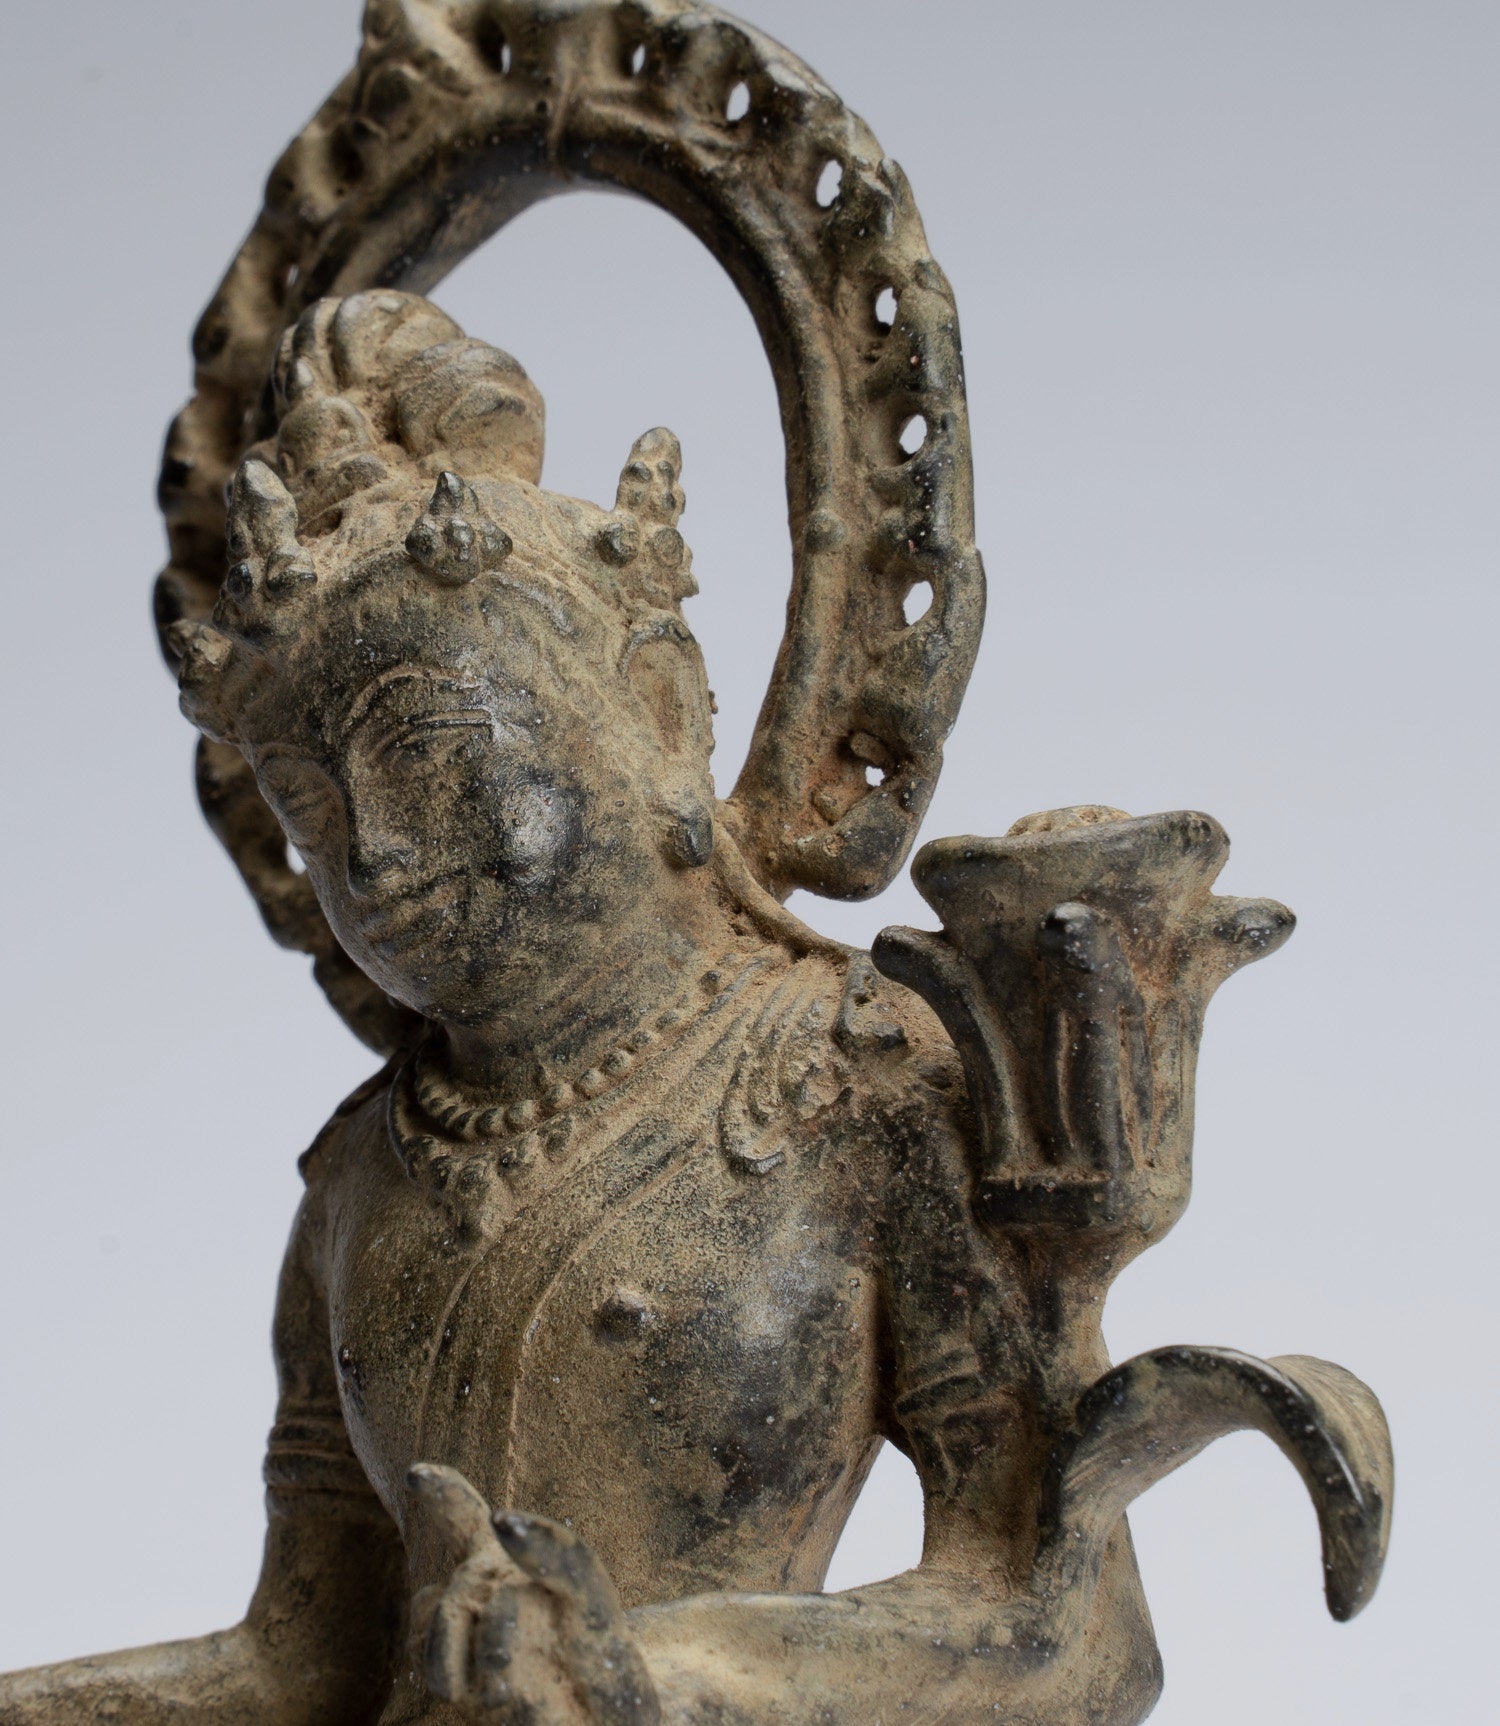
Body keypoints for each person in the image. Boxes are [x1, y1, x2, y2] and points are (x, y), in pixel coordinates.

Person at [0, 290, 1165, 1725]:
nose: (374, 857)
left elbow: (1066, 1631)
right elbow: (310, 1660)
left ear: (660, 715)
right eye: (311, 808)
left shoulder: (858, 1087)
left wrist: (653, 1675)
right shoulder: (359, 1179)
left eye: (430, 755)